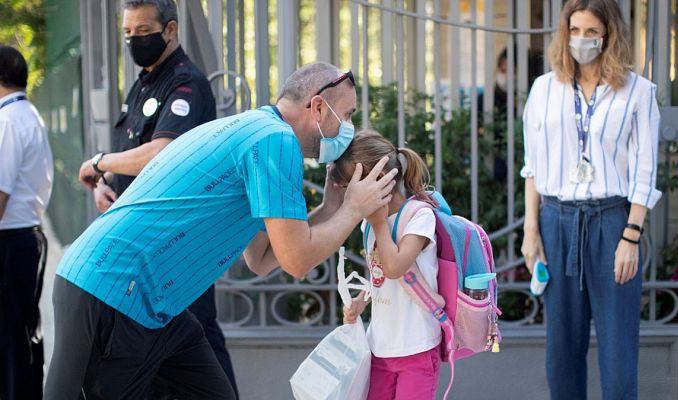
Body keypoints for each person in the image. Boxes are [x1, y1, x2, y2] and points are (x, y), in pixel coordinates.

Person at [44, 62, 397, 400]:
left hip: (152, 304)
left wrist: (332, 208)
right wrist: (353, 209)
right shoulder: (275, 140)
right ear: (317, 107)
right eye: (348, 114)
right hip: (116, 290)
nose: (350, 126)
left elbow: (261, 258)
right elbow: (297, 260)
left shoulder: (257, 131)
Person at [75, 0, 239, 396]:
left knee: (198, 341)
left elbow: (162, 151)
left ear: (170, 30)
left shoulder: (186, 84)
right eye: (128, 33)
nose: (134, 41)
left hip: (178, 246)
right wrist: (105, 183)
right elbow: (131, 154)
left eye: (143, 32)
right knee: (156, 352)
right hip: (144, 244)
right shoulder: (145, 82)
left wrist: (100, 161)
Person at [519, 0, 661, 399]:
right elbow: (532, 168)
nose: (582, 40)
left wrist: (631, 235)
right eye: (575, 31)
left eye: (592, 32)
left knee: (618, 352)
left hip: (613, 222)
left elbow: (645, 170)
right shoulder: (544, 90)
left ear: (609, 35)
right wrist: (532, 231)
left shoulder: (638, 92)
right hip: (557, 221)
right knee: (562, 351)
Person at [335, 130, 441, 400]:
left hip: (416, 348)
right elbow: (380, 275)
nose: (349, 198)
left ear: (380, 180)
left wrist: (380, 223)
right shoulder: (370, 224)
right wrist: (361, 300)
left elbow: (395, 268)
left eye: (350, 188)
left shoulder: (419, 218)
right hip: (380, 347)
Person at [0, 45, 54, 400]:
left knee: (9, 342)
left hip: (8, 241)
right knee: (26, 333)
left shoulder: (5, 122)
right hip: (27, 236)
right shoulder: (29, 114)